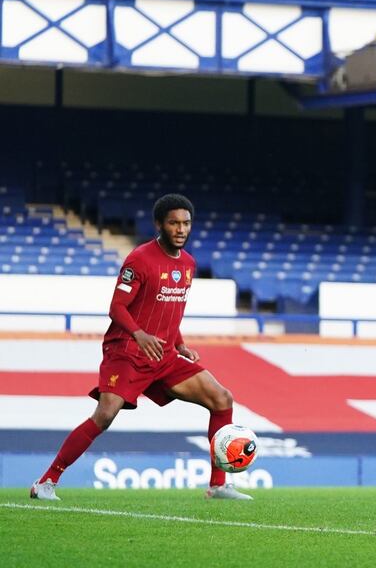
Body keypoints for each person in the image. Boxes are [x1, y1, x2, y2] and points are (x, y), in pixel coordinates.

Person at [30, 194, 250, 501]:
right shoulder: (140, 259)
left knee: (221, 398)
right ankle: (46, 482)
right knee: (105, 415)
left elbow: (167, 310)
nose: (181, 229)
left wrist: (180, 344)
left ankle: (218, 485)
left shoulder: (188, 263)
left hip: (164, 355)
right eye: (174, 223)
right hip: (127, 352)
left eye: (186, 223)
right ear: (159, 224)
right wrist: (140, 335)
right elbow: (117, 308)